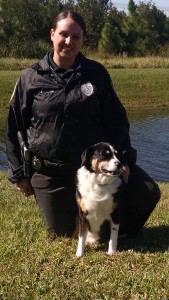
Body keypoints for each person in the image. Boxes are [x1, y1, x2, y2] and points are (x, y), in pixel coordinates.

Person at [6, 11, 160, 239]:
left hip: (94, 168)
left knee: (146, 191)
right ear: (52, 34)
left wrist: (125, 159)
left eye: (76, 37)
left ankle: (117, 232)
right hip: (51, 172)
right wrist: (19, 174)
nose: (69, 41)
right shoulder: (30, 77)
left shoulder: (96, 73)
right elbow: (14, 127)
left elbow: (116, 120)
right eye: (63, 34)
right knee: (62, 231)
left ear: (83, 40)